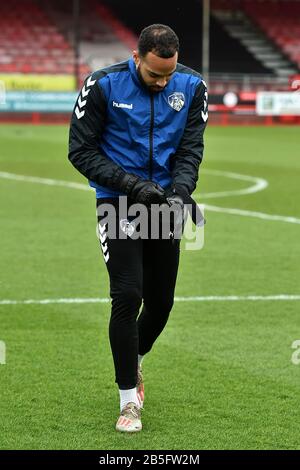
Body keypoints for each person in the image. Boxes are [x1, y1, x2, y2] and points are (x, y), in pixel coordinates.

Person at [68, 23, 208, 433]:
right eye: (153, 75)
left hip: (163, 203)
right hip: (117, 202)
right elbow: (80, 151)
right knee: (128, 293)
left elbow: (190, 147)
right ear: (136, 58)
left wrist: (181, 190)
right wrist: (131, 185)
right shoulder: (102, 85)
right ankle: (128, 400)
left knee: (161, 303)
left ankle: (136, 359)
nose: (163, 82)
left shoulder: (192, 86)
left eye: (168, 74)